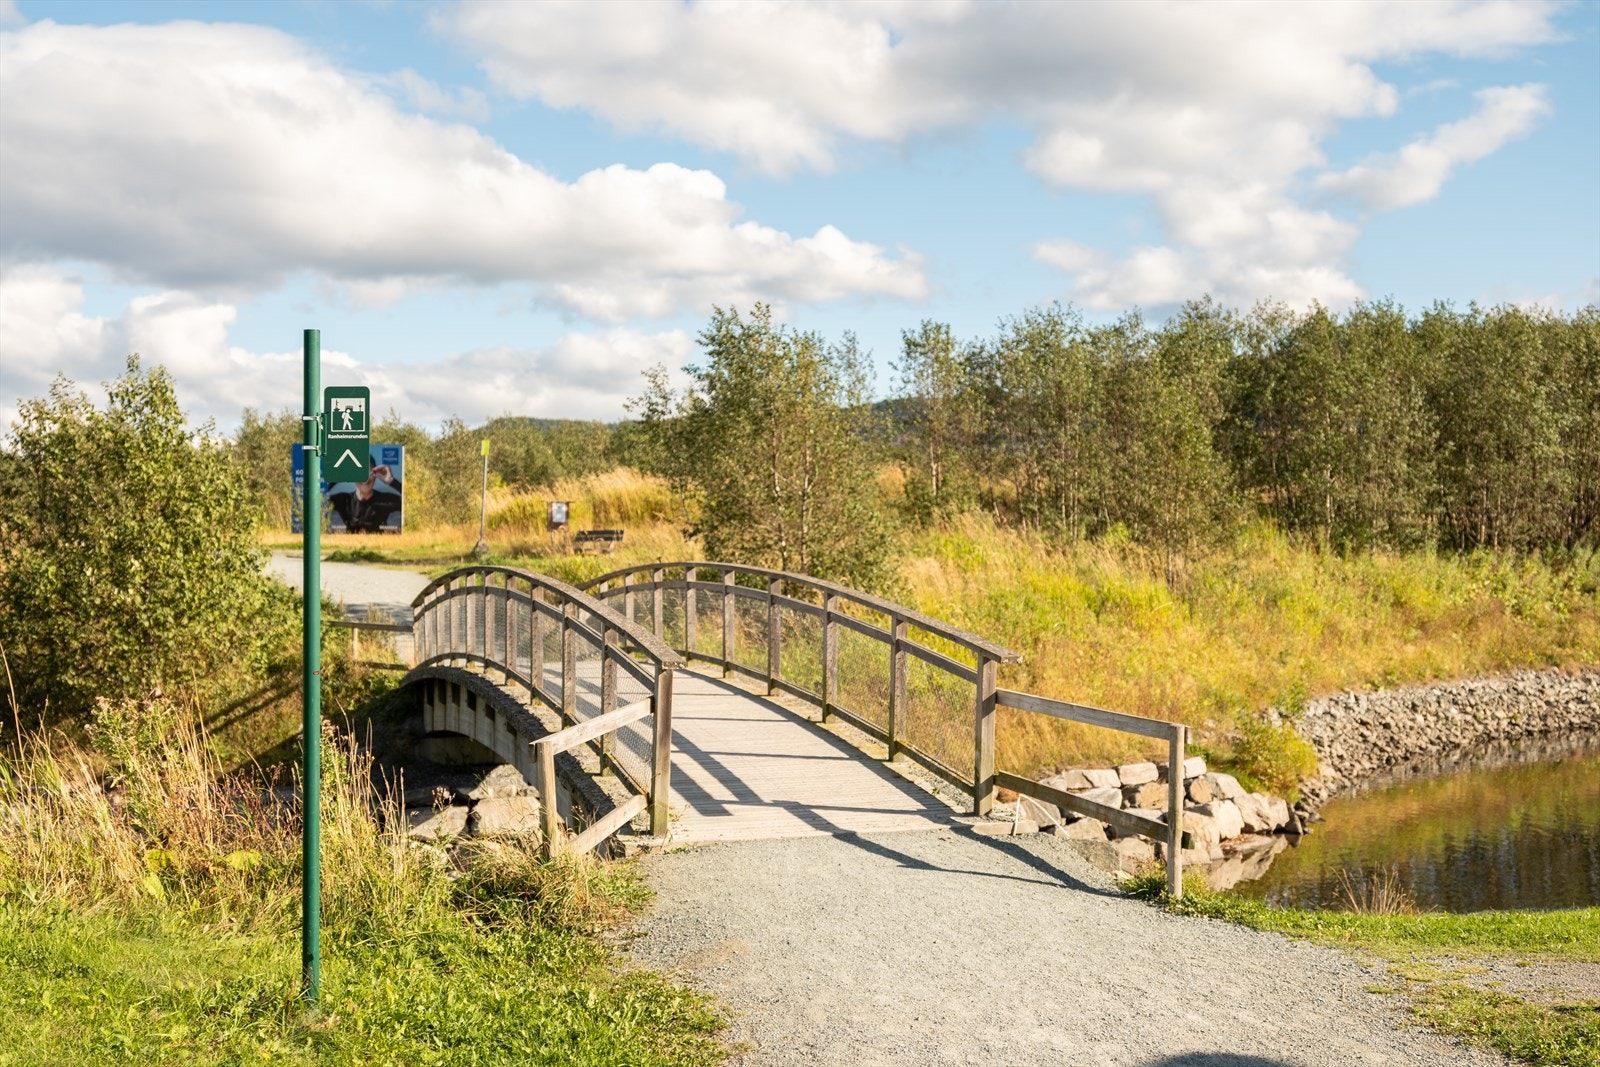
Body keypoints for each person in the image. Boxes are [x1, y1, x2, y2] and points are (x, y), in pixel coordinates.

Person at [328, 464, 402, 533]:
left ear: (375, 476)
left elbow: (408, 501)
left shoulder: (386, 500)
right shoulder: (343, 500)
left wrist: (392, 481)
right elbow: (321, 499)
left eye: (368, 472)